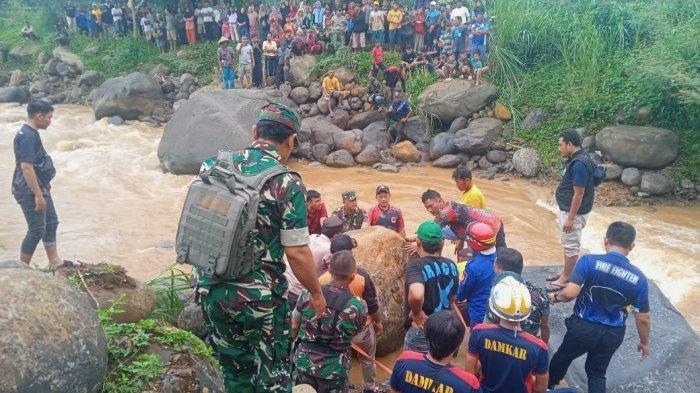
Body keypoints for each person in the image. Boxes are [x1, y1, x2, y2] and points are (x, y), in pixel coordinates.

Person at [197, 103, 326, 393]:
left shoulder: (213, 166)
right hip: (259, 299)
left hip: (211, 287)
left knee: (232, 369)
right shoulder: (286, 182)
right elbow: (296, 252)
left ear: (254, 132)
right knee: (274, 376)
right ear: (291, 141)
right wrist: (316, 294)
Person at [548, 222, 651, 393]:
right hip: (612, 333)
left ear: (606, 240)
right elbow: (643, 318)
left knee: (563, 357)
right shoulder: (639, 278)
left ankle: (547, 387)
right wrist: (645, 343)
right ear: (631, 247)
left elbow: (570, 293)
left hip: (583, 328)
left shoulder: (589, 261)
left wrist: (555, 298)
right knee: (596, 373)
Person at [292, 250, 368, 392]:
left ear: (329, 270)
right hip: (334, 369)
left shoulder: (307, 293)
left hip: (303, 362)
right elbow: (357, 339)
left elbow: (294, 324)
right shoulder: (358, 306)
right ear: (353, 276)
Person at [318, 234, 384, 393]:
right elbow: (372, 305)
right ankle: (368, 387)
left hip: (334, 329)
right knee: (367, 359)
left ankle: (344, 383)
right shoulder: (361, 276)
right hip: (361, 329)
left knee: (340, 355)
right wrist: (378, 322)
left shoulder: (323, 278)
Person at [466, 275, 550, 393]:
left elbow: (470, 374)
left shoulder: (479, 332)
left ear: (493, 306)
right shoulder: (538, 347)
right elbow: (540, 389)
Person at [12, 101, 62, 269]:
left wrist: (44, 186)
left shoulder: (31, 133)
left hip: (39, 187)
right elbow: (26, 167)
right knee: (36, 229)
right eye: (49, 117)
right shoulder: (27, 136)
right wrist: (38, 195)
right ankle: (22, 269)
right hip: (28, 190)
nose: (50, 121)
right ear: (39, 116)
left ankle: (54, 261)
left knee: (52, 221)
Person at [547, 129, 597, 292]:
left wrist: (570, 218)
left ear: (569, 144)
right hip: (569, 210)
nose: (559, 148)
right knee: (568, 243)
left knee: (570, 245)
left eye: (561, 145)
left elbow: (579, 193)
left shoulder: (579, 164)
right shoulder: (578, 158)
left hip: (573, 213)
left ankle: (566, 278)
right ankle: (566, 271)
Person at [403, 221, 462, 353]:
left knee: (414, 369)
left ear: (418, 242)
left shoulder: (416, 265)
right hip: (445, 328)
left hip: (424, 329)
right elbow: (453, 299)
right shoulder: (452, 265)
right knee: (439, 367)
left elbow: (417, 294)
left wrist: (417, 313)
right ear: (441, 243)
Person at [390, 311, 482, 393]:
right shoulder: (468, 384)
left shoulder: (405, 360)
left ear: (427, 338)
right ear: (458, 345)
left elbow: (394, 390)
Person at [484, 248, 551, 343]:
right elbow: (545, 326)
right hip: (529, 343)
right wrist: (543, 347)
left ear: (498, 269)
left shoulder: (498, 293)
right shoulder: (539, 292)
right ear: (521, 268)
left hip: (502, 343)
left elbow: (488, 325)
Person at [417, 189, 506, 254]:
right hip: (487, 222)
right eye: (427, 207)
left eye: (431, 206)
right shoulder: (448, 205)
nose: (429, 210)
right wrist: (461, 240)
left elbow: (432, 229)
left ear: (439, 201)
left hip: (491, 226)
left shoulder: (447, 212)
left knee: (496, 255)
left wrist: (417, 243)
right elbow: (463, 221)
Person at [456, 222, 496, 327]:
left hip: (478, 313)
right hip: (496, 311)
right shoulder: (500, 257)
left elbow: (461, 294)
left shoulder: (474, 267)